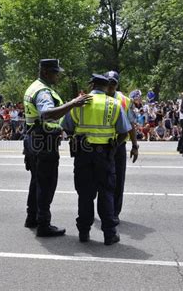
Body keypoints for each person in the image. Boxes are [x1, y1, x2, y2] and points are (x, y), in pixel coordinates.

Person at [23, 59, 91, 237]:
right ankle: (43, 224)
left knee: (36, 181)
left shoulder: (34, 86)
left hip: (33, 139)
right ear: (46, 72)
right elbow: (47, 114)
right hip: (44, 141)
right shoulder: (43, 92)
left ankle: (32, 217)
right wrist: (73, 103)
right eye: (55, 72)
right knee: (46, 184)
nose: (58, 76)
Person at [62, 74, 131, 245]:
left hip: (83, 154)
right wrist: (114, 146)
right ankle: (109, 234)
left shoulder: (80, 102)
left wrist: (75, 139)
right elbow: (124, 132)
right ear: (107, 87)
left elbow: (66, 126)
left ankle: (84, 233)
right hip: (106, 155)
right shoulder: (114, 104)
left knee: (85, 194)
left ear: (92, 85)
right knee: (106, 193)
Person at [104, 71, 139, 224]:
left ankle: (114, 213)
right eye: (108, 83)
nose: (111, 86)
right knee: (101, 180)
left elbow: (131, 124)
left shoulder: (125, 101)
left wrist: (135, 145)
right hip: (101, 146)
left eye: (114, 83)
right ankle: (103, 210)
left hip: (118, 146)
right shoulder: (96, 97)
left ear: (117, 84)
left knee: (118, 181)